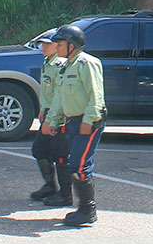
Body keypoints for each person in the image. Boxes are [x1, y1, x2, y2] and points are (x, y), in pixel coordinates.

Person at [41, 24, 105, 226]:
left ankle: (88, 210)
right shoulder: (66, 66)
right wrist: (53, 120)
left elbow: (96, 95)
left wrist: (89, 120)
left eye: (60, 44)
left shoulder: (87, 63)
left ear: (72, 45)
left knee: (79, 165)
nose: (56, 47)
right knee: (74, 163)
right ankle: (84, 209)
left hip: (88, 121)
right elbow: (60, 97)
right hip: (72, 121)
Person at [29, 30, 70, 205]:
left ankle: (65, 193)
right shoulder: (48, 62)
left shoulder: (60, 64)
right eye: (43, 44)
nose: (43, 47)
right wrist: (42, 109)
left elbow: (60, 95)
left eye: (48, 44)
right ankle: (50, 185)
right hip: (48, 113)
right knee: (40, 150)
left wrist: (51, 118)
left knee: (60, 155)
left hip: (58, 116)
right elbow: (48, 91)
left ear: (58, 45)